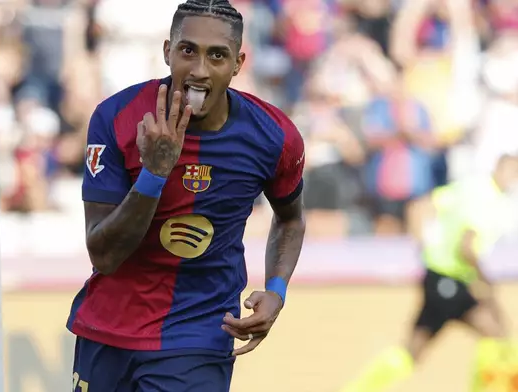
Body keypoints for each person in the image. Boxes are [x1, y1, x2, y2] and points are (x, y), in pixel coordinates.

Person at [66, 1, 307, 391]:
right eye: (187, 51)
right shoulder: (117, 118)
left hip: (198, 333)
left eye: (217, 56)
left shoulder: (274, 136)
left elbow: (291, 218)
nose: (198, 70)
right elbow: (104, 254)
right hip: (108, 330)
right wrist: (155, 173)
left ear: (237, 64)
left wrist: (276, 291)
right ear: (167, 52)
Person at [340, 153, 518, 392]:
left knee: (414, 349)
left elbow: (422, 205)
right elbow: (468, 247)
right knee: (495, 333)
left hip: (439, 275)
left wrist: (423, 242)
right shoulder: (487, 201)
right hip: (450, 277)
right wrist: (484, 280)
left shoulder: (470, 186)